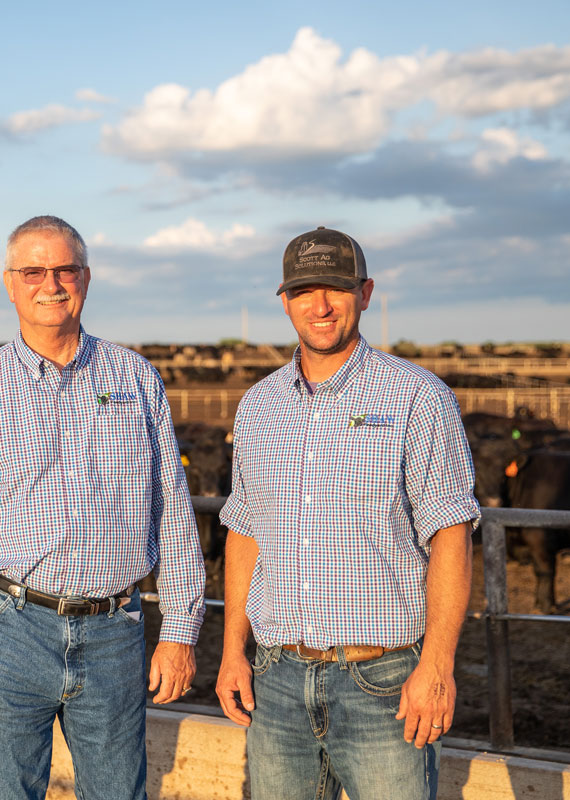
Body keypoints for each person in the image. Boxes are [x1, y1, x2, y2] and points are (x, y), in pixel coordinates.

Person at [0, 215, 206, 799]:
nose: (50, 283)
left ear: (86, 278)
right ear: (9, 283)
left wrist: (180, 630)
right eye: (32, 271)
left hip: (113, 630)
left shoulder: (137, 379)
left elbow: (172, 511)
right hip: (7, 630)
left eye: (64, 269)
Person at [215, 226, 479, 800]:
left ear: (365, 292)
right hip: (276, 678)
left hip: (384, 681)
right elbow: (244, 532)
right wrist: (233, 651)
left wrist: (436, 666)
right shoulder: (260, 405)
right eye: (304, 290)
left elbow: (451, 536)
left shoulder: (417, 397)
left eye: (335, 287)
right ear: (284, 300)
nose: (321, 305)